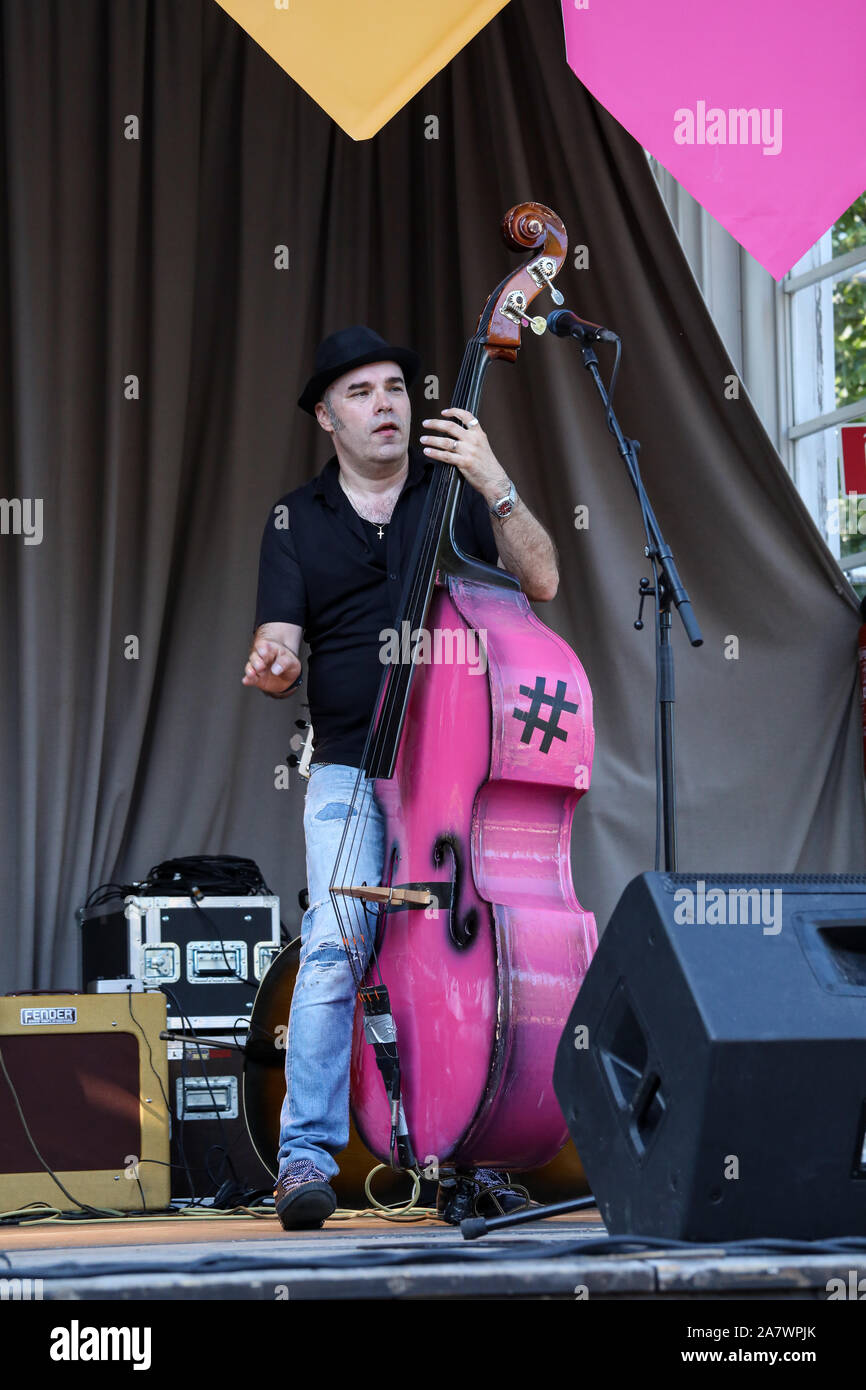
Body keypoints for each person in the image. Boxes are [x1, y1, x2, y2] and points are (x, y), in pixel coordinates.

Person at [244, 326, 560, 1228]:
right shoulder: (294, 520)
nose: (386, 404)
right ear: (326, 416)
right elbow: (282, 650)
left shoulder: (457, 491)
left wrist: (496, 480)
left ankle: (475, 1144)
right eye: (361, 392)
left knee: (480, 959)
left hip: (459, 775)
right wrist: (272, 663)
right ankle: (304, 1156)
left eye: (395, 387)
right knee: (339, 941)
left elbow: (542, 579)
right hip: (350, 764)